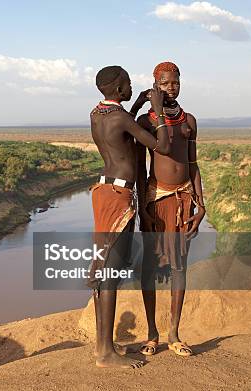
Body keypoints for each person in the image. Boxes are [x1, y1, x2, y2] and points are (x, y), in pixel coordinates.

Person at [89, 65, 171, 368]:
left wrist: (136, 105)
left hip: (103, 191)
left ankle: (102, 347)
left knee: (103, 268)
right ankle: (106, 353)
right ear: (117, 88)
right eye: (127, 83)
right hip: (119, 196)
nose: (131, 85)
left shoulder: (97, 114)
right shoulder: (120, 118)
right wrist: (158, 111)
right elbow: (160, 145)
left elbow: (119, 132)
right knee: (111, 271)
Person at [136, 61, 206, 357]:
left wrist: (201, 205)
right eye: (165, 84)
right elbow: (141, 169)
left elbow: (193, 165)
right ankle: (152, 334)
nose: (171, 87)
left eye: (175, 82)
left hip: (184, 200)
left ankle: (174, 334)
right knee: (150, 267)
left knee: (179, 266)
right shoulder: (146, 121)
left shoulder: (189, 120)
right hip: (158, 200)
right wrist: (143, 208)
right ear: (155, 86)